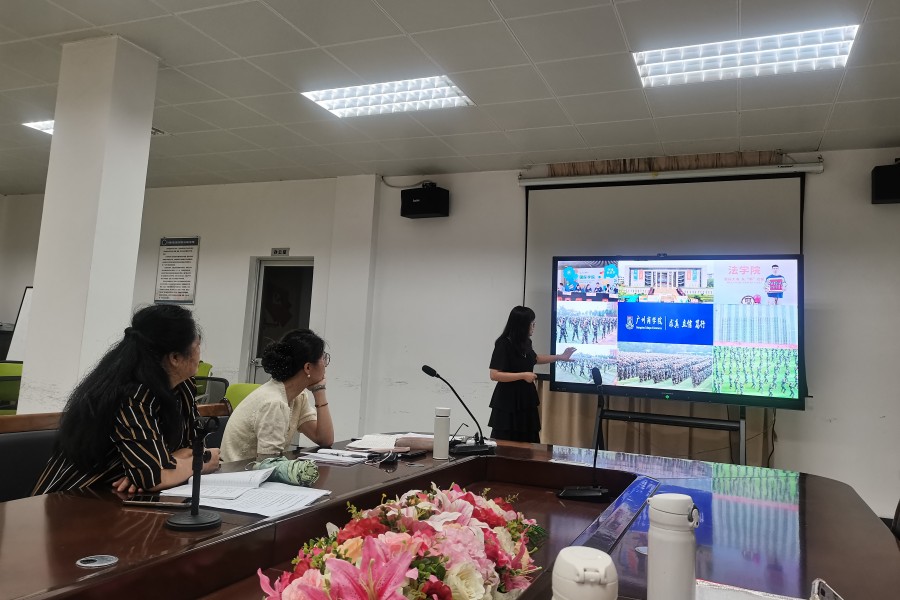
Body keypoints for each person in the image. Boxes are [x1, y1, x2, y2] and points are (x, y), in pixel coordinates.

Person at [33, 304, 220, 495]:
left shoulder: (183, 387)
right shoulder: (134, 395)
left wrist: (156, 467)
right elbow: (155, 477)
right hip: (73, 498)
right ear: (175, 357)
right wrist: (201, 462)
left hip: (120, 497)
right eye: (197, 346)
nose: (200, 354)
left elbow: (190, 448)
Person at [220, 329, 334, 462]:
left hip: (254, 471)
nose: (325, 364)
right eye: (323, 358)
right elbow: (268, 463)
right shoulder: (274, 402)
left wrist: (319, 391)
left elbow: (324, 439)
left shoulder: (297, 397)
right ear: (308, 367)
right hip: (236, 472)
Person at [488, 306, 576, 442]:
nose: (534, 327)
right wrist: (523, 375)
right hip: (508, 401)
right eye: (532, 323)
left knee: (529, 440)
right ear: (522, 325)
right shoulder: (503, 344)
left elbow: (535, 358)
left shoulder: (526, 342)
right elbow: (494, 375)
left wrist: (560, 357)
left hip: (526, 398)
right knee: (506, 442)